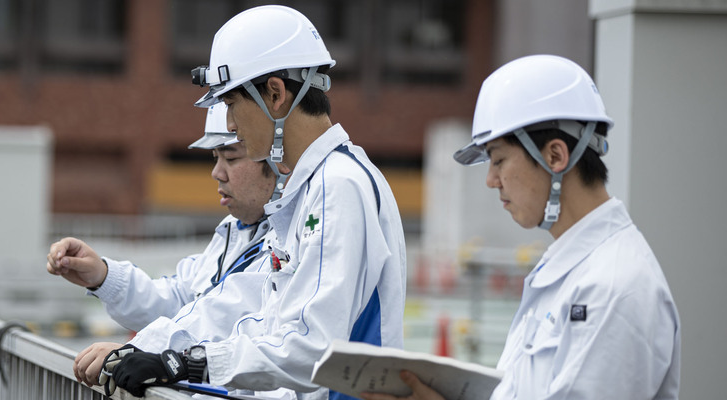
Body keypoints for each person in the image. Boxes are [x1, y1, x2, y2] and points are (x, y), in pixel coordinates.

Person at [107, 5, 407, 400]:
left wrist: (189, 362)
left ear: (276, 95)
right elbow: (267, 323)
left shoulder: (337, 186)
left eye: (232, 104)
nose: (229, 124)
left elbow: (313, 347)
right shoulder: (309, 188)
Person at [362, 55, 680, 400]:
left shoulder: (613, 288)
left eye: (498, 160)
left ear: (555, 156)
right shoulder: (577, 268)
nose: (490, 180)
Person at [46, 102, 281, 389]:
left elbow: (221, 317)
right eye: (215, 158)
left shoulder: (288, 240)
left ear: (278, 161)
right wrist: (103, 277)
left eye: (230, 159)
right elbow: (181, 301)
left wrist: (139, 349)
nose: (217, 173)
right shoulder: (235, 232)